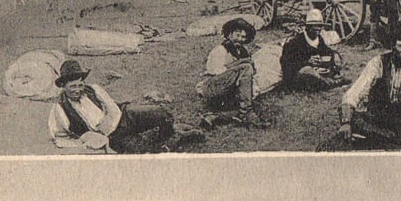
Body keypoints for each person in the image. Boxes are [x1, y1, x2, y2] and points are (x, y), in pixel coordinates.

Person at [48, 60, 179, 153]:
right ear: (64, 86)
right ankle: (163, 145)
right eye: (72, 87)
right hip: (111, 137)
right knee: (142, 150)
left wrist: (108, 126)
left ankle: (167, 136)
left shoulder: (93, 89)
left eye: (80, 85)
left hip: (124, 116)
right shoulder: (60, 108)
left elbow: (113, 109)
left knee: (160, 113)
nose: (77, 90)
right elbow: (60, 137)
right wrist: (88, 141)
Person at [339, 21, 401, 146]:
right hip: (378, 116)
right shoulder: (378, 63)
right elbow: (355, 92)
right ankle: (393, 139)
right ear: (392, 46)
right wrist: (346, 121)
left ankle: (385, 138)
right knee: (356, 119)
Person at [197, 17, 258, 127]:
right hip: (212, 87)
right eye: (237, 35)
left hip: (228, 91)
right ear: (230, 34)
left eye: (243, 37)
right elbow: (218, 72)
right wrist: (241, 64)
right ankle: (246, 112)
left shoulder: (242, 52)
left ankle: (215, 117)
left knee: (248, 71)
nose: (240, 39)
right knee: (246, 67)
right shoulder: (220, 50)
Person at [280, 8, 344, 91]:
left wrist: (334, 55)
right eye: (315, 26)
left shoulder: (318, 39)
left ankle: (328, 81)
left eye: (320, 26)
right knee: (307, 71)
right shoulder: (295, 41)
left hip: (314, 72)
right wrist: (307, 62)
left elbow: (326, 51)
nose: (318, 29)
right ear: (308, 27)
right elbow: (287, 62)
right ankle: (333, 83)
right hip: (296, 76)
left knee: (331, 65)